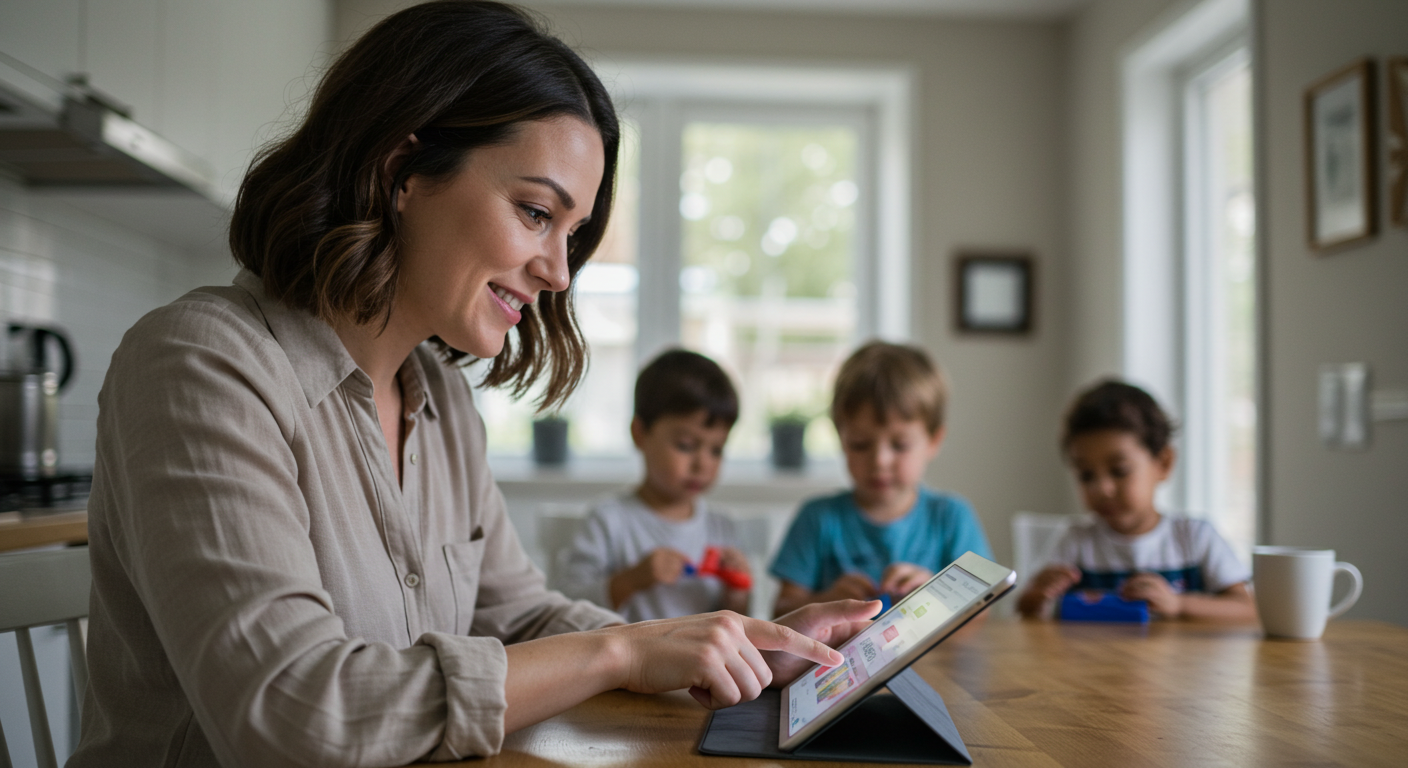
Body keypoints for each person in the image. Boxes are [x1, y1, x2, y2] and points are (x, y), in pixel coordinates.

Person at [67, 4, 879, 766]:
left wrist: (727, 644)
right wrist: (621, 649)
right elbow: (291, 710)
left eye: (574, 233)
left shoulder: (442, 400)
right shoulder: (201, 363)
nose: (559, 271)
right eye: (535, 213)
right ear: (402, 169)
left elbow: (519, 617)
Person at [769, 341, 993, 617]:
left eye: (899, 445)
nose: (880, 461)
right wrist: (825, 601)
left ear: (933, 441)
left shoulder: (952, 517)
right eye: (861, 444)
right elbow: (780, 612)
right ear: (842, 440)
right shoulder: (817, 518)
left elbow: (982, 613)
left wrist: (936, 594)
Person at [1016, 380, 1256, 621]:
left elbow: (1249, 609)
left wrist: (1179, 604)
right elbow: (1025, 609)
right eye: (1086, 475)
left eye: (1119, 471)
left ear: (1164, 463)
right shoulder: (1075, 541)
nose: (1102, 488)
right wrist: (1038, 595)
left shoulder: (1194, 538)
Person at [553, 349, 751, 621]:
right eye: (686, 445)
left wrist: (737, 592)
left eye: (716, 450)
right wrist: (630, 581)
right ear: (640, 434)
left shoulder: (721, 528)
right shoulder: (608, 520)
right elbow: (568, 607)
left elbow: (738, 622)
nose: (702, 464)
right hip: (625, 664)